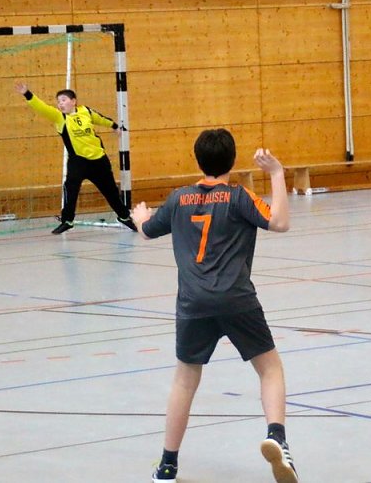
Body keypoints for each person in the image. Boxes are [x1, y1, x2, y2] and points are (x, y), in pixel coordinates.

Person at [132, 129, 298, 483]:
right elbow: (280, 222)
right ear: (232, 161)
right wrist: (276, 173)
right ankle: (277, 437)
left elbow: (146, 231)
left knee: (185, 380)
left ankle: (167, 464)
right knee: (270, 369)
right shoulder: (239, 197)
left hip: (193, 303)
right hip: (237, 299)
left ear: (198, 160)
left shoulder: (179, 198)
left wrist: (140, 216)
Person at [13, 82, 135, 234]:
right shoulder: (59, 117)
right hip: (78, 161)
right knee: (71, 190)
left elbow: (100, 118)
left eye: (63, 100)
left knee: (111, 191)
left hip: (99, 159)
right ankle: (67, 221)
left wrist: (114, 126)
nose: (60, 103)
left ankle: (124, 217)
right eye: (58, 101)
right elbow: (41, 107)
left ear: (73, 101)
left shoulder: (85, 111)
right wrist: (27, 94)